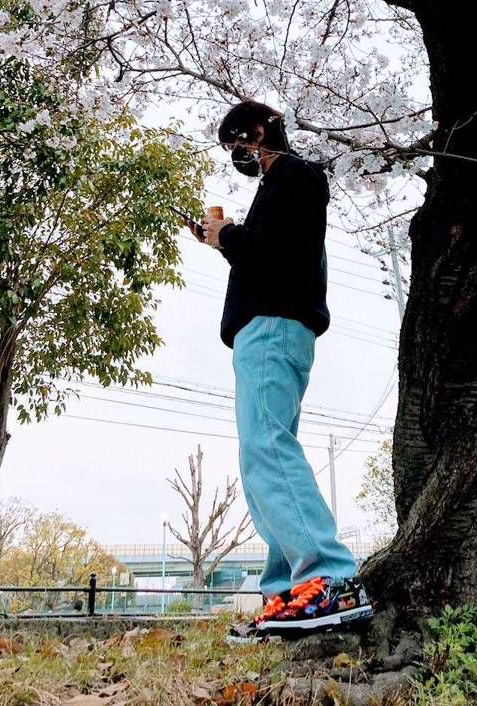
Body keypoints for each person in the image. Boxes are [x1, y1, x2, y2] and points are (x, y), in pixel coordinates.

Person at [197, 100, 373, 637]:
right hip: (271, 330)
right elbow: (274, 253)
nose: (238, 156)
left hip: (272, 326)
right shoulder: (285, 187)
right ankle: (288, 591)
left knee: (267, 449)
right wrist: (227, 241)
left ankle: (329, 577)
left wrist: (224, 236)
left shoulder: (295, 175)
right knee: (263, 461)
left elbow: (270, 253)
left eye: (238, 144)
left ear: (259, 131)